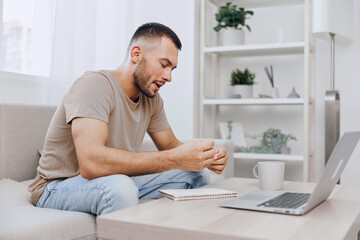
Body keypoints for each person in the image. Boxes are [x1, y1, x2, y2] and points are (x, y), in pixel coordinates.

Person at [29, 22, 228, 216]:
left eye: (172, 69)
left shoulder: (152, 99)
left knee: (198, 174)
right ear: (136, 54)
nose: (169, 77)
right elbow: (91, 164)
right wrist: (175, 159)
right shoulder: (94, 85)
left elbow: (170, 146)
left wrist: (205, 157)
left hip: (114, 179)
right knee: (120, 188)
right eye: (163, 65)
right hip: (57, 187)